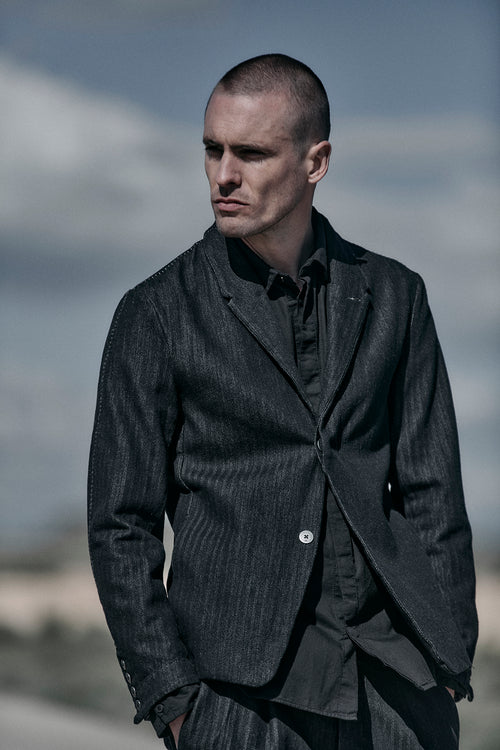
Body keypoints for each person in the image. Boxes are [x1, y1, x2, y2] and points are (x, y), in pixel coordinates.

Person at [88, 54, 478, 749]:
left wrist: (449, 661)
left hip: (395, 689)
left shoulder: (396, 296)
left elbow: (433, 494)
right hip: (239, 703)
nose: (223, 175)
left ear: (315, 161)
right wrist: (174, 700)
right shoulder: (156, 314)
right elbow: (121, 524)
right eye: (212, 149)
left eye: (252, 153)